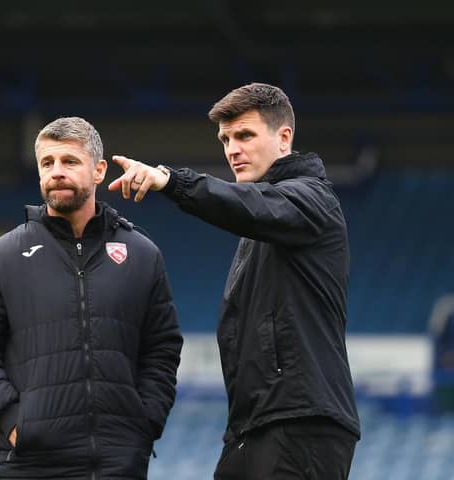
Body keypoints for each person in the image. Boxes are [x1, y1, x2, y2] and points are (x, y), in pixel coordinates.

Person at [108, 83, 360, 479]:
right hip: (251, 428)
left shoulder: (313, 199)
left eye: (244, 135)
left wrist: (172, 182)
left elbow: (252, 208)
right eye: (225, 139)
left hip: (302, 423)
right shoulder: (259, 220)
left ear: (284, 137)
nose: (231, 149)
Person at [0, 117, 183, 480]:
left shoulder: (142, 254)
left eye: (70, 161)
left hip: (118, 464)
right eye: (48, 163)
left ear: (99, 171)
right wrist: (14, 422)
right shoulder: (2, 257)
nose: (57, 171)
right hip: (30, 464)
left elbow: (162, 349)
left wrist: (144, 422)